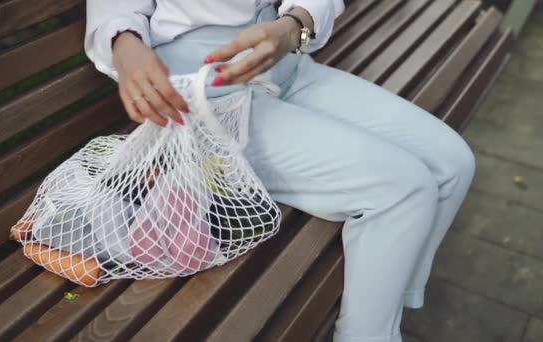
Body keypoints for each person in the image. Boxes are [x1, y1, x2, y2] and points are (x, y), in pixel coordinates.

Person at [85, 1, 476, 341]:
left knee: (452, 165)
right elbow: (114, 10)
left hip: (284, 64)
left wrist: (294, 26)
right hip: (203, 96)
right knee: (402, 189)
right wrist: (125, 44)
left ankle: (384, 314)